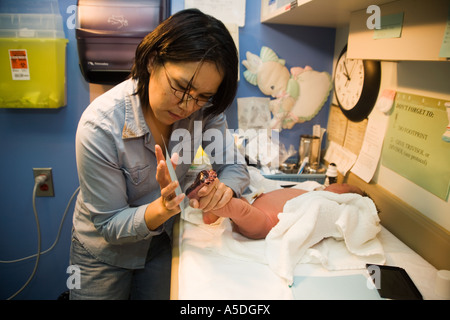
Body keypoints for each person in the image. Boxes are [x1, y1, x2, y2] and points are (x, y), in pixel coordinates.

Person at [70, 9, 249, 300]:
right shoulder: (100, 126)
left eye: (203, 96)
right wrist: (161, 210)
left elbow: (234, 166)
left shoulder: (205, 111)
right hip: (102, 254)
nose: (188, 106)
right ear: (153, 61)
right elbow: (109, 224)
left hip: (159, 244)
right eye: (181, 87)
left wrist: (224, 191)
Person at [203, 183, 371, 240]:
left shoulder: (324, 203)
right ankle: (217, 207)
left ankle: (214, 205)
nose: (339, 184)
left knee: (241, 210)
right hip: (256, 206)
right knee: (241, 206)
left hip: (266, 222)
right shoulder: (312, 193)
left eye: (343, 186)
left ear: (343, 197)